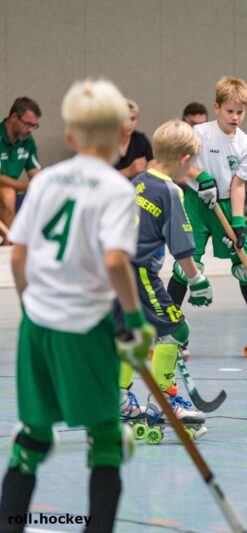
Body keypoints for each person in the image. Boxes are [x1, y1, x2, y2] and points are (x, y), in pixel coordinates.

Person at [0, 78, 153, 533]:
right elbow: (115, 261)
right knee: (106, 439)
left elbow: (19, 256)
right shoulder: (116, 189)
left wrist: (33, 306)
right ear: (121, 135)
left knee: (31, 439)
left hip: (37, 327)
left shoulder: (46, 181)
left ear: (69, 135)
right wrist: (135, 322)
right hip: (86, 327)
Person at [166, 77, 247, 359]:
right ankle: (168, 326)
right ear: (216, 107)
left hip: (228, 208)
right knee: (186, 265)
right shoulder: (199, 133)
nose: (235, 117)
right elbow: (181, 165)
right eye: (230, 111)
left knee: (246, 266)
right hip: (196, 205)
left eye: (240, 111)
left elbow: (238, 184)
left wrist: (239, 221)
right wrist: (201, 176)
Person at [117, 120, 213, 441]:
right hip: (141, 272)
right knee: (177, 330)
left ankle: (119, 399)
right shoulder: (171, 192)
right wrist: (197, 280)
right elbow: (182, 247)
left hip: (116, 271)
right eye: (193, 162)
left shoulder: (139, 181)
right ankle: (163, 401)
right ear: (184, 159)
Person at [0, 97, 42, 231]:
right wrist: (26, 186)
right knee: (8, 195)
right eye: (28, 124)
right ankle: (8, 243)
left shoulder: (27, 141)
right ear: (13, 117)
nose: (30, 130)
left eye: (34, 126)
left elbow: (36, 174)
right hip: (6, 192)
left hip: (13, 191)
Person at [115, 98, 154, 179]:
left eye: (133, 119)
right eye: (125, 119)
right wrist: (128, 171)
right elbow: (99, 177)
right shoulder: (104, 142)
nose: (129, 123)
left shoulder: (141, 140)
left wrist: (150, 167)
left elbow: (152, 164)